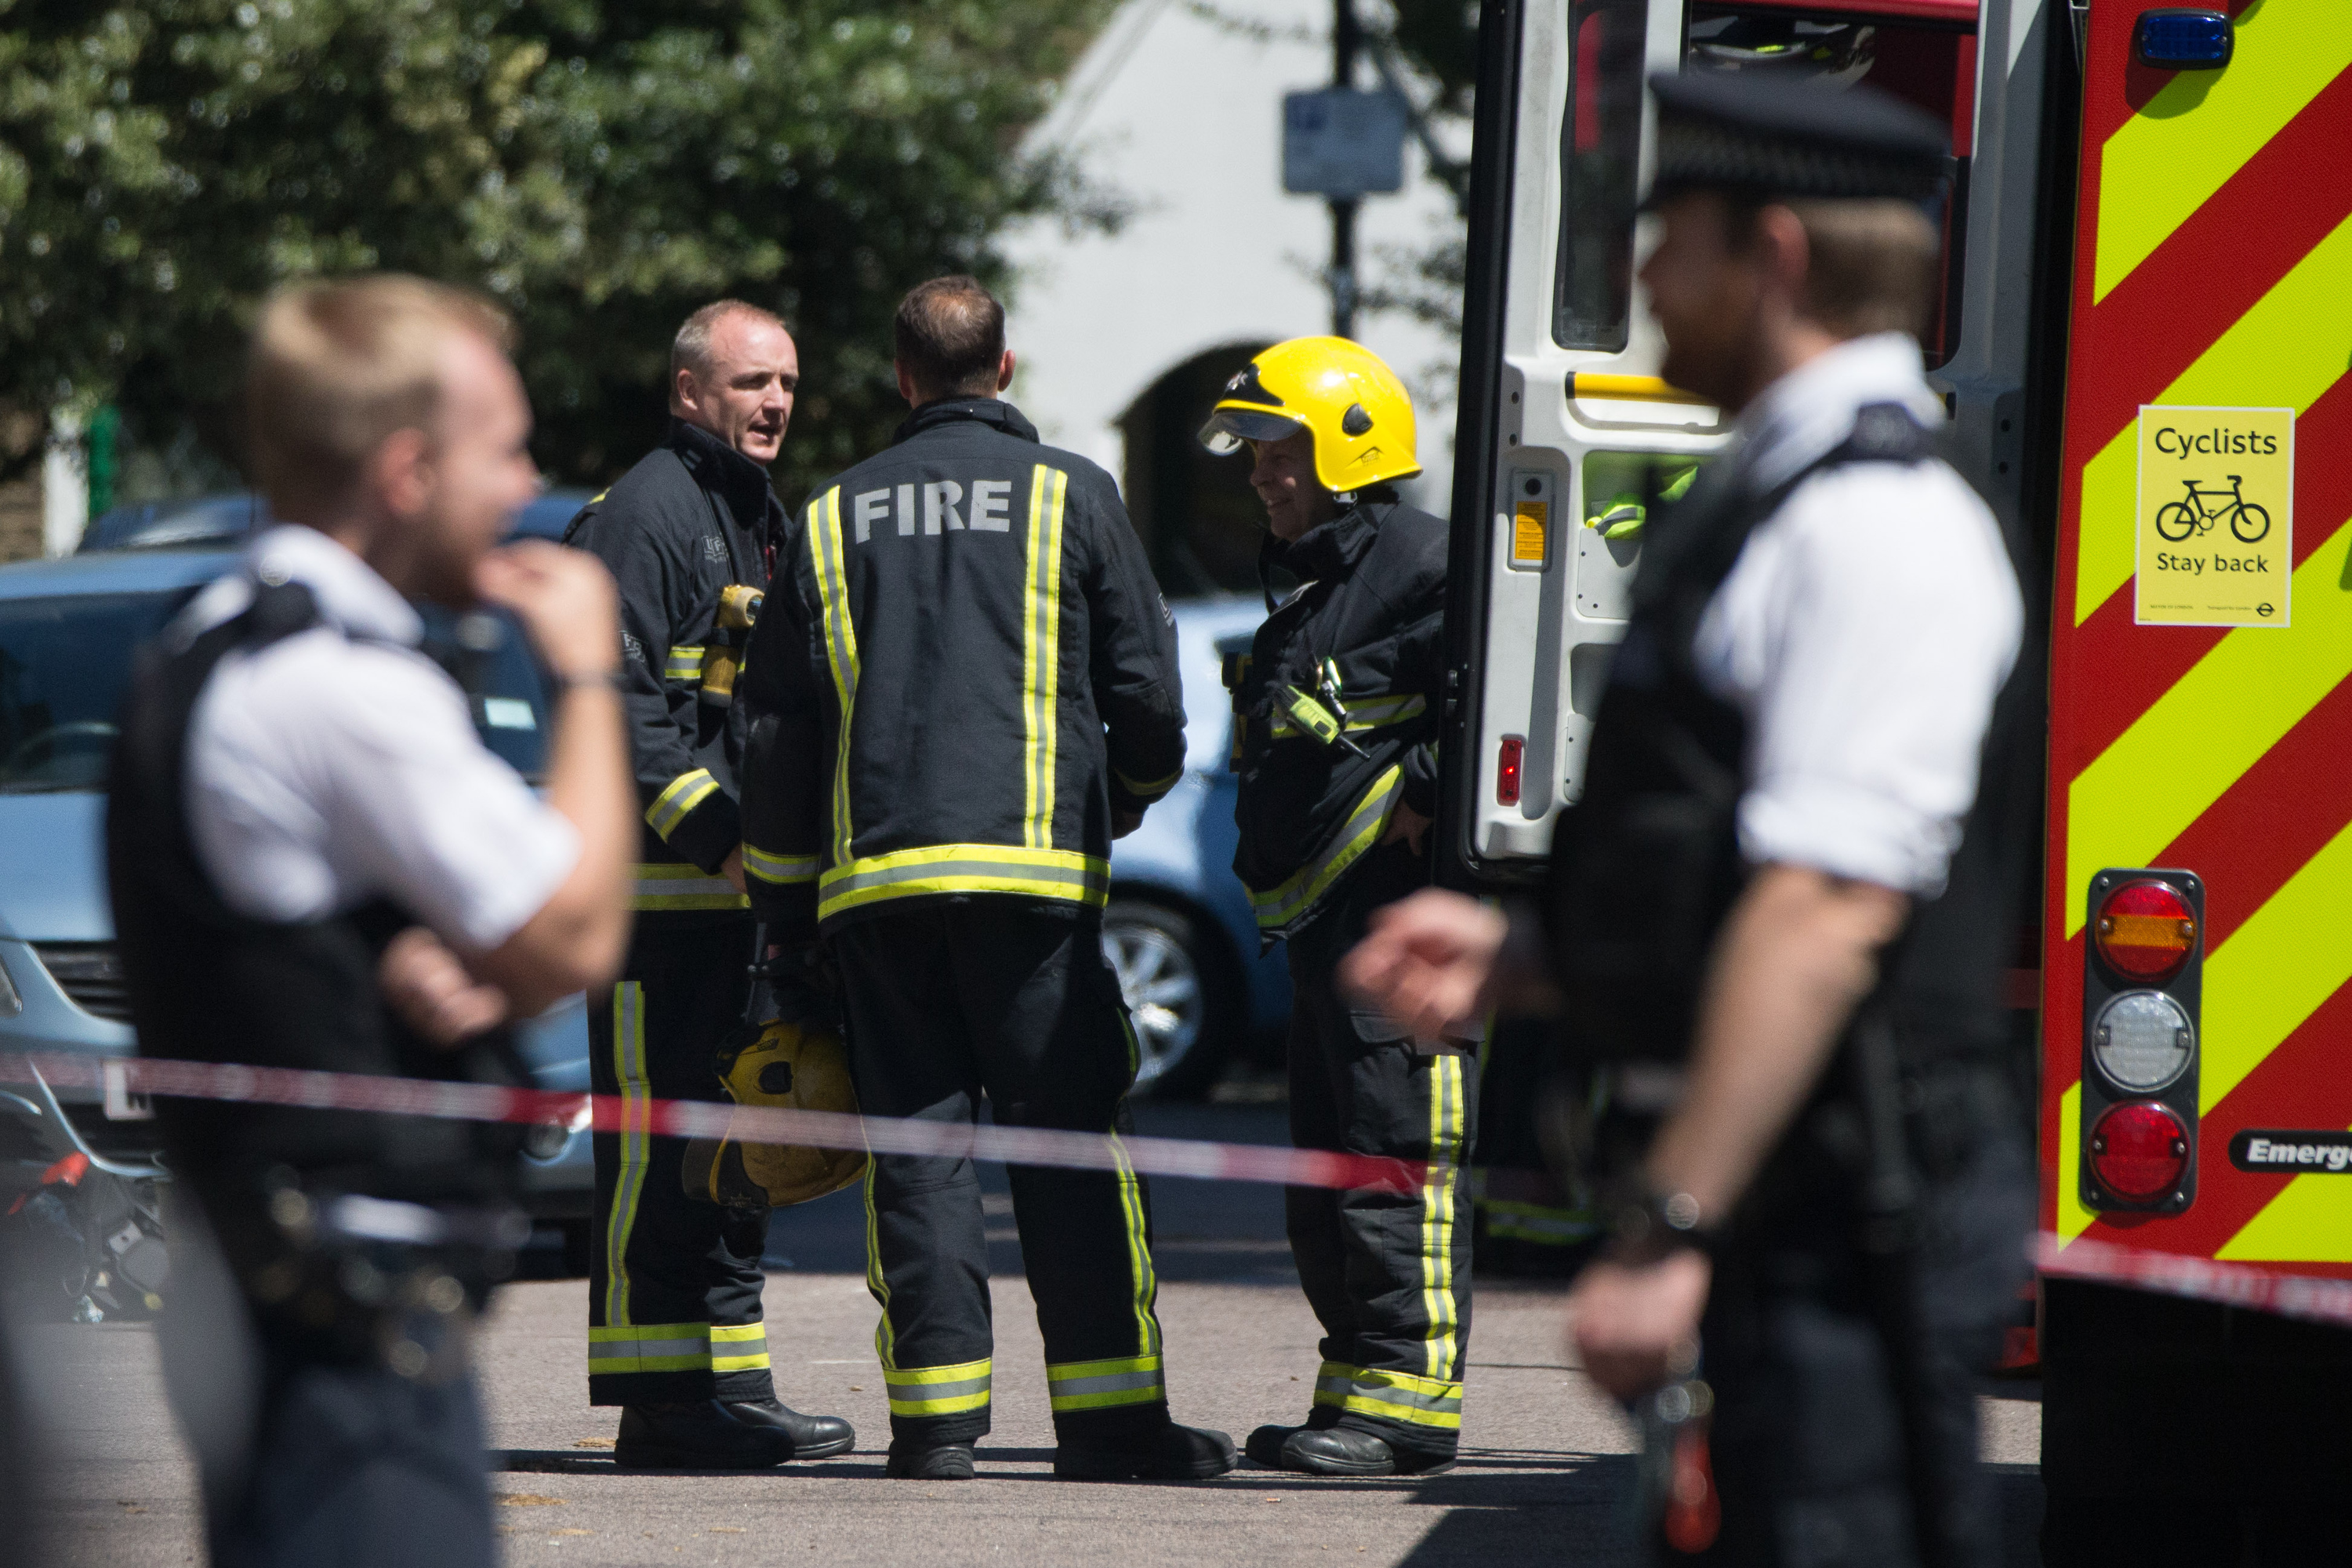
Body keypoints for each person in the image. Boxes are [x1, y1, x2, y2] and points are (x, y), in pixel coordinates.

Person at [1343, 70, 2037, 1566]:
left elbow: (1825, 907)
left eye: (1670, 237)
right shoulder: (1770, 496)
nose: (1640, 276)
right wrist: (1530, 952)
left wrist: (1672, 1226)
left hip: (1843, 1223)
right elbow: (1716, 845)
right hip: (1780, 1216)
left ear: (1773, 253)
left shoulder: (1878, 525)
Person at [108, 275, 636, 1567]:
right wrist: (584, 670)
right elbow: (574, 933)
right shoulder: (341, 686)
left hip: (277, 1296)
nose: (525, 486)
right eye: (503, 448)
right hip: (349, 1325)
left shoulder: (213, 639)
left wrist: (422, 956)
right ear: (407, 469)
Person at [737, 274, 1231, 1483]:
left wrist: (786, 918)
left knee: (918, 1158)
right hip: (1035, 889)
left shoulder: (828, 515)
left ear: (903, 378)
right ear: (1002, 369)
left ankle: (937, 1426)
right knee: (1069, 1147)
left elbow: (780, 741)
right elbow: (1150, 696)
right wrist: (1116, 803)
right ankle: (1112, 1424)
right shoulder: (1077, 494)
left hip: (879, 895)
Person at [560, 300, 855, 1467]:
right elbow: (610, 697)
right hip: (654, 907)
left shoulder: (750, 512)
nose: (774, 402)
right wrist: (722, 838)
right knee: (653, 1148)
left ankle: (730, 1384)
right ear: (689, 392)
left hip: (731, 908)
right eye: (749, 384)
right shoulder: (646, 514)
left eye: (785, 381)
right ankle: (660, 1404)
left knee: (732, 1148)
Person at [1193, 338, 1473, 1477]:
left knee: (1392, 1156)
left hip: (1396, 924)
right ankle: (1354, 1391)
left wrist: (1424, 797)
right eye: (1255, 451)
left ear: (1351, 448)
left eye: (1279, 449)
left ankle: (1408, 1406)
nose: (1261, 471)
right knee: (1328, 1174)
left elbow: (1489, 708)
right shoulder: (1328, 573)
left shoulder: (1429, 563)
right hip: (1326, 926)